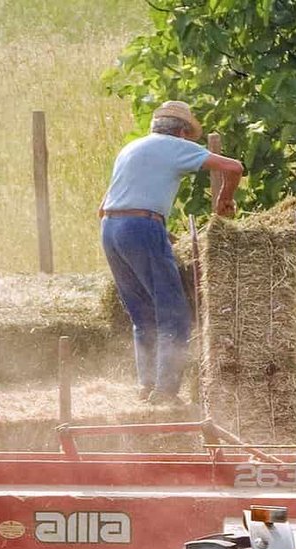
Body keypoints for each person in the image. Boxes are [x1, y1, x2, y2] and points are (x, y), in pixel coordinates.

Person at [100, 100, 243, 407]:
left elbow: (105, 206)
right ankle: (166, 392)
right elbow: (234, 168)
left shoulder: (131, 148)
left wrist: (155, 230)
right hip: (141, 226)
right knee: (175, 314)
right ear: (181, 132)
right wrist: (223, 199)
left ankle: (146, 385)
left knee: (142, 314)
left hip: (110, 230)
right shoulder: (174, 145)